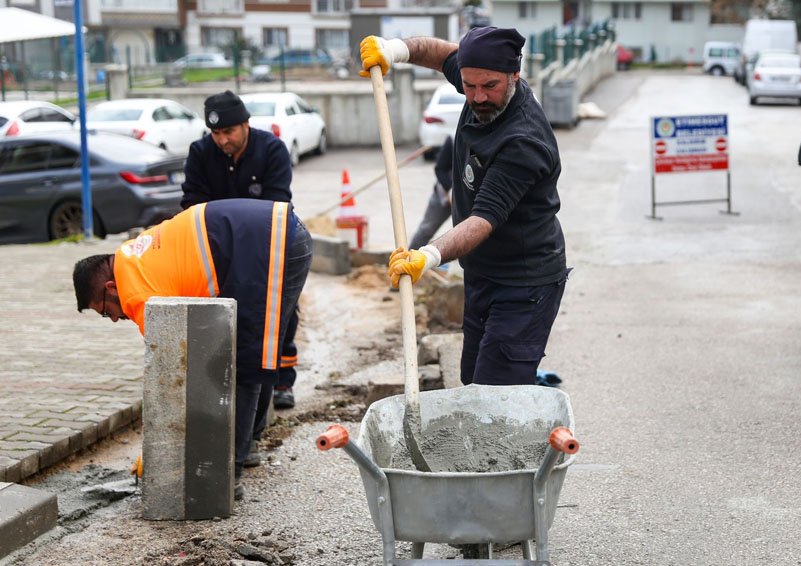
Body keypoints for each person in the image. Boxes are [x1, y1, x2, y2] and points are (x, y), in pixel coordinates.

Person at [361, 27, 569, 387]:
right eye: (469, 86)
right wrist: (393, 50)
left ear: (515, 74)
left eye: (489, 86)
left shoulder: (523, 141)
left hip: (524, 283)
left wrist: (427, 256)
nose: (478, 96)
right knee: (471, 378)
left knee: (495, 391)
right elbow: (438, 52)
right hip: (482, 272)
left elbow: (482, 220)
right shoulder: (478, 75)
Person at [72, 199, 313, 500]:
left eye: (106, 311)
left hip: (269, 240)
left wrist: (154, 455)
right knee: (257, 348)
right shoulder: (129, 258)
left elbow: (171, 378)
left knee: (249, 359)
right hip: (267, 235)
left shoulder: (136, 295)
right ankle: (248, 444)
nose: (114, 319)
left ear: (110, 287)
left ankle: (227, 476)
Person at [181, 90, 300, 412]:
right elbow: (192, 204)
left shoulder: (272, 149)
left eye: (229, 131)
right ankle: (229, 378)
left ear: (245, 124)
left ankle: (282, 381)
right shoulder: (200, 153)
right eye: (216, 133)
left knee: (281, 312)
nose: (222, 140)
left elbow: (277, 203)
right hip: (217, 251)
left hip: (267, 244)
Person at [409, 135, 453, 250]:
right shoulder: (453, 138)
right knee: (426, 230)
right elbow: (440, 169)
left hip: (470, 198)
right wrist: (451, 190)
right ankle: (408, 257)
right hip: (444, 195)